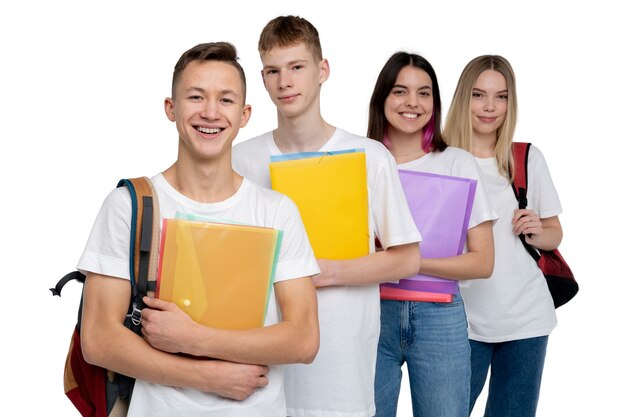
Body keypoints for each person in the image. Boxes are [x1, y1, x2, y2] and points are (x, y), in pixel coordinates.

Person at [78, 41, 320, 417]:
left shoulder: (277, 211)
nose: (210, 112)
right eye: (195, 97)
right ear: (170, 109)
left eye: (226, 100)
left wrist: (195, 338)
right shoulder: (129, 206)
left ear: (245, 114)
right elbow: (98, 340)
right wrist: (207, 377)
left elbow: (303, 339)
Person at [232, 16, 422, 417]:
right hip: (261, 368)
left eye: (296, 67)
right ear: (262, 77)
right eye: (272, 70)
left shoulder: (370, 157)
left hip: (342, 373)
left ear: (322, 71)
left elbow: (407, 258)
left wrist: (326, 272)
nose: (284, 81)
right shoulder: (239, 159)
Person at [366, 51, 496, 417]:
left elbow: (483, 262)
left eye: (424, 93)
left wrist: (407, 261)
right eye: (400, 91)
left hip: (440, 316)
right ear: (381, 99)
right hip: (370, 312)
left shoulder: (456, 162)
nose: (412, 102)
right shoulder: (362, 160)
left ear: (435, 104)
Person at [444, 55, 564, 417]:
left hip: (526, 319)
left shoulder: (526, 158)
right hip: (460, 321)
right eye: (479, 95)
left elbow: (555, 234)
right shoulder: (443, 160)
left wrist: (538, 230)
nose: (490, 107)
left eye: (502, 96)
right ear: (464, 98)